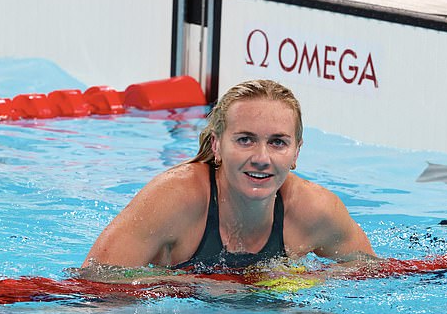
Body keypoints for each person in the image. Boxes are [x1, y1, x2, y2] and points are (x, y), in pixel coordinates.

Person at [82, 79, 375, 272]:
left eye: (277, 142)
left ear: (296, 152)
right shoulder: (175, 197)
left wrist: (313, 281)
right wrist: (200, 284)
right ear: (217, 145)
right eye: (245, 140)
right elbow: (94, 281)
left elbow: (374, 274)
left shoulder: (316, 209)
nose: (261, 158)